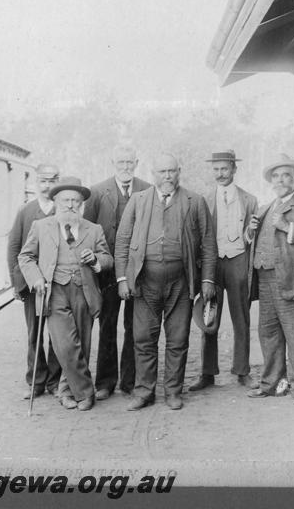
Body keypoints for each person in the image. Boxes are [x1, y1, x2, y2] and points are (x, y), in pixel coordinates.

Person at [115, 153, 217, 411]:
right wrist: (122, 278)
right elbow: (123, 242)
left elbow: (208, 244)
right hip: (145, 282)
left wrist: (207, 279)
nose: (167, 176)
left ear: (179, 171)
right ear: (154, 174)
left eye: (172, 171)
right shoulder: (138, 201)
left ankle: (173, 391)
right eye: (162, 172)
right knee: (142, 338)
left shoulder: (195, 201)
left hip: (180, 283)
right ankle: (144, 392)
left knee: (178, 338)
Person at [18, 177, 113, 411]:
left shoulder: (94, 229)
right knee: (65, 345)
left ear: (81, 204)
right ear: (57, 202)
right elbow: (25, 257)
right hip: (54, 291)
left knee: (82, 343)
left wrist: (96, 261)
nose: (70, 205)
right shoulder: (41, 227)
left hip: (84, 290)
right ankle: (85, 392)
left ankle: (65, 391)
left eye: (75, 200)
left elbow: (108, 259)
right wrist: (36, 278)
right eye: (65, 200)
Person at [245, 153, 294, 405]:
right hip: (265, 278)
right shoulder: (264, 208)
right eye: (276, 176)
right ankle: (270, 383)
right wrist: (249, 232)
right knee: (268, 333)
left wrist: (285, 226)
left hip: (292, 279)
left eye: (286, 175)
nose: (280, 180)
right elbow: (254, 241)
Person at [83, 145, 151, 401]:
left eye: (129, 163)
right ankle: (105, 381)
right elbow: (89, 230)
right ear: (113, 163)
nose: (125, 167)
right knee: (107, 325)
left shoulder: (146, 189)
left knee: (135, 325)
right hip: (107, 271)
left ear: (137, 163)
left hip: (137, 270)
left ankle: (130, 381)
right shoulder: (97, 191)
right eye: (121, 162)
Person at [189, 150, 259, 392]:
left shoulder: (249, 200)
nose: (220, 174)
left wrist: (249, 233)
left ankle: (242, 371)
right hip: (213, 263)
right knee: (209, 316)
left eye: (224, 169)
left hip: (238, 259)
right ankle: (207, 373)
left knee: (242, 317)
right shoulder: (204, 199)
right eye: (216, 169)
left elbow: (251, 238)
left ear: (234, 170)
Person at [6, 163, 62, 399]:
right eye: (43, 181)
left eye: (51, 181)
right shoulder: (26, 211)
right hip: (33, 284)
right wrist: (18, 283)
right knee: (34, 333)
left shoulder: (63, 209)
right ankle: (36, 380)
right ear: (36, 183)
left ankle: (55, 381)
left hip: (58, 282)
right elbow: (14, 247)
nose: (47, 185)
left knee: (58, 333)